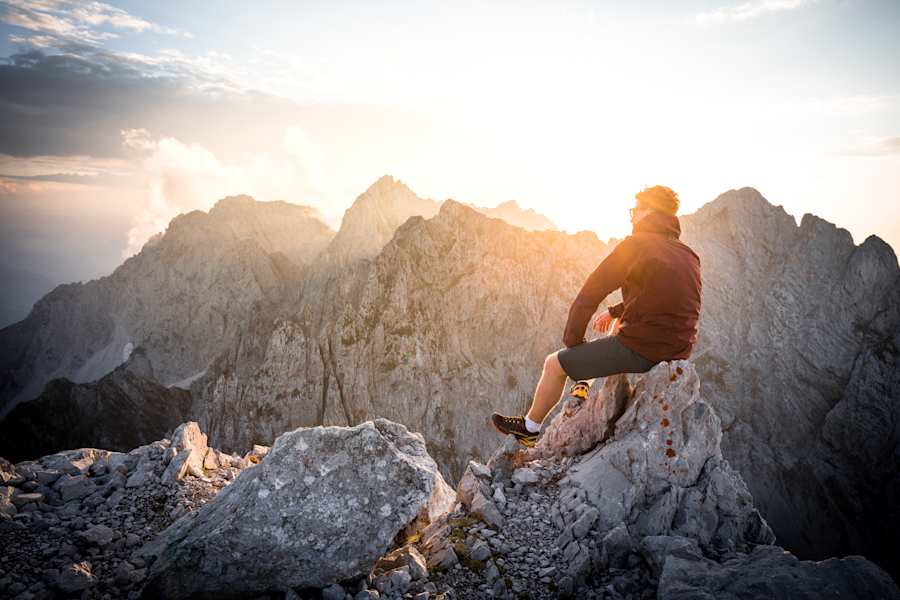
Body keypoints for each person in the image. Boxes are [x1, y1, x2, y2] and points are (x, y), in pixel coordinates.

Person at [491, 185, 702, 447]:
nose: (632, 216)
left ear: (648, 211)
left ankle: (529, 428)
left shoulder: (636, 245)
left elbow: (589, 294)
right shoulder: (687, 254)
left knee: (553, 365)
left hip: (645, 349)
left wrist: (573, 346)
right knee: (617, 326)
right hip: (679, 349)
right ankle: (584, 383)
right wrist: (614, 311)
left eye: (635, 210)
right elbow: (659, 299)